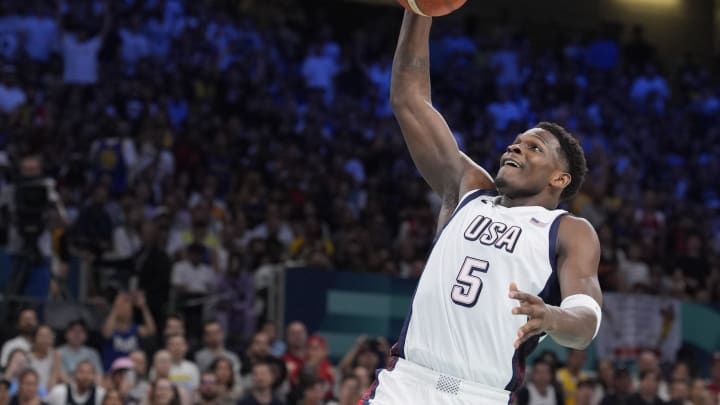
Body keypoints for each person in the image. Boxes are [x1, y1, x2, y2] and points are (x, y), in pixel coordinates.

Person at [361, 10, 603, 405]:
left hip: (480, 395)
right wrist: (418, 11)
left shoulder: (568, 230)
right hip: (404, 384)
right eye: (516, 141)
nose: (515, 147)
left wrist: (552, 317)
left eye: (534, 147)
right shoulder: (469, 189)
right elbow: (409, 100)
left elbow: (587, 322)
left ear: (559, 179)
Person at [101, 292, 156, 372]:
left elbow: (151, 330)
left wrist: (143, 307)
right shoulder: (111, 327)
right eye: (122, 307)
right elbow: (106, 333)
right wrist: (115, 307)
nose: (125, 310)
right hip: (112, 372)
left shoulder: (135, 329)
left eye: (128, 307)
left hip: (131, 372)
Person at [28, 326, 62, 394]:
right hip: (30, 392)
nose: (45, 339)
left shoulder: (55, 355)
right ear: (34, 338)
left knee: (60, 390)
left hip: (47, 392)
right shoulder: (27, 357)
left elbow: (54, 378)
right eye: (42, 336)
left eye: (48, 336)